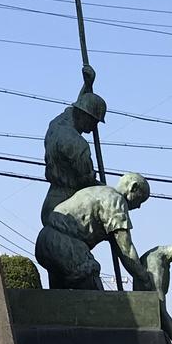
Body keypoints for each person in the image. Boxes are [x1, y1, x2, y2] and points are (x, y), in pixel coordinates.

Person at [35, 172, 151, 290]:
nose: (138, 206)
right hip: (64, 246)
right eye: (140, 199)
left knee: (61, 300)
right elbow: (126, 249)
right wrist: (144, 277)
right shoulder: (115, 200)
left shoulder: (99, 190)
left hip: (46, 241)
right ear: (133, 187)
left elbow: (117, 245)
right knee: (95, 297)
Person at [41, 63, 107, 224]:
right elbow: (87, 181)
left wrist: (87, 85)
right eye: (94, 122)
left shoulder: (57, 124)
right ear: (86, 117)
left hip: (51, 201)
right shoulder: (78, 146)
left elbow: (78, 107)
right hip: (67, 206)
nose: (93, 129)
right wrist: (107, 192)